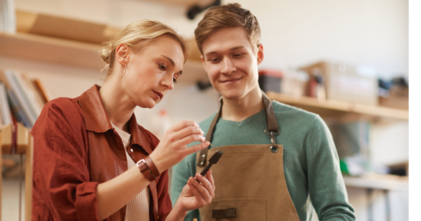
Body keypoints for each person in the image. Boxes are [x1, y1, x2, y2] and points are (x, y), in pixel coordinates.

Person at [171, 3, 356, 221]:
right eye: (215, 59)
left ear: (258, 54)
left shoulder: (308, 128)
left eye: (237, 54)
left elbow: (337, 213)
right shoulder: (192, 142)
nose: (227, 68)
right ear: (204, 63)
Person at [31, 20, 215, 221]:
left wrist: (180, 208)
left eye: (175, 77)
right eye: (162, 66)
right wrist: (153, 165)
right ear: (123, 55)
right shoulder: (61, 116)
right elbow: (70, 211)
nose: (169, 84)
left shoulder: (152, 145)